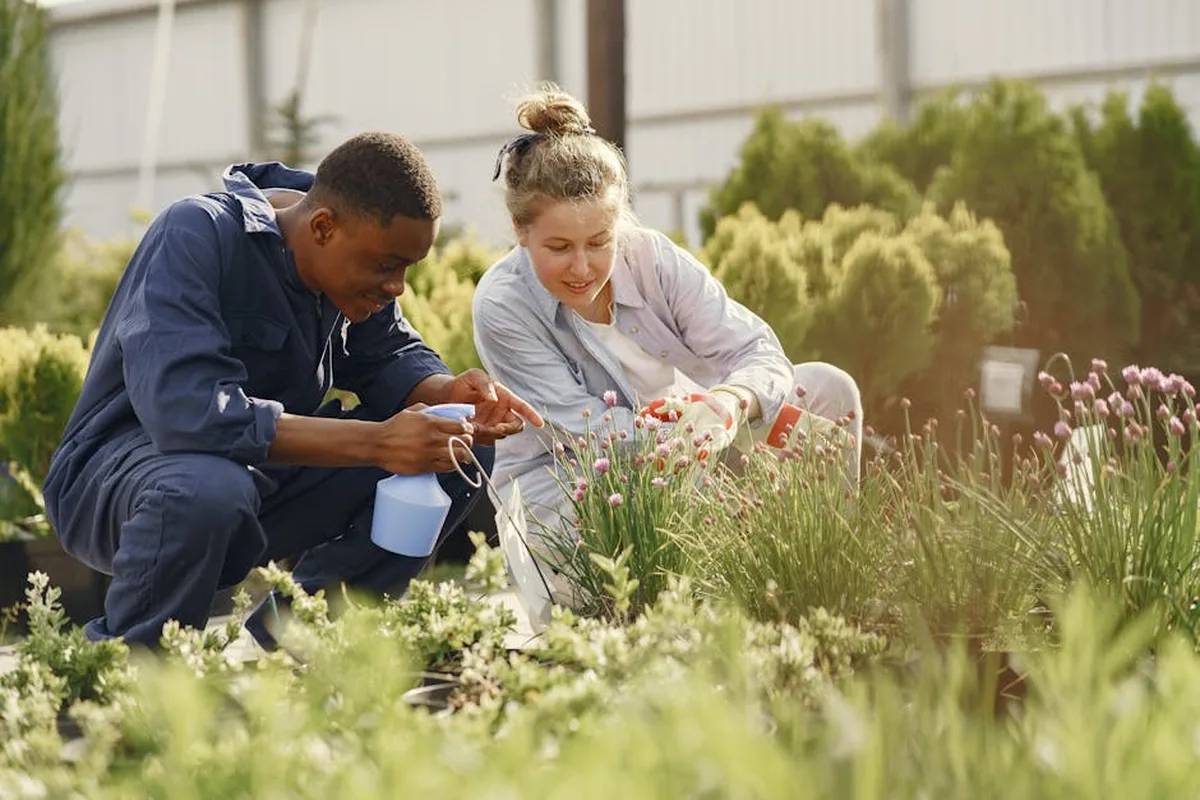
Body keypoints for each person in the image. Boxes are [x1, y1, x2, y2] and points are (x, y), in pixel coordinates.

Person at [43, 132, 543, 648]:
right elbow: (190, 415)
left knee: (454, 446)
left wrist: (446, 393)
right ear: (323, 227)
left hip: (250, 479)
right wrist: (379, 442)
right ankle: (130, 672)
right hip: (120, 480)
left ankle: (307, 633)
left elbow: (391, 358)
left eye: (406, 270)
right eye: (387, 266)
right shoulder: (197, 233)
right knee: (208, 486)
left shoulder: (351, 235)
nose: (397, 287)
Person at [472, 84, 862, 559]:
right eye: (559, 248)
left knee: (829, 389)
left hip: (697, 449)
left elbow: (756, 351)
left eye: (599, 242)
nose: (582, 267)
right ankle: (735, 583)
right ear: (520, 231)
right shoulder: (502, 304)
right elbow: (586, 432)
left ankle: (825, 574)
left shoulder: (651, 257)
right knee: (681, 478)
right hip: (574, 483)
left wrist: (732, 402)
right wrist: (705, 433)